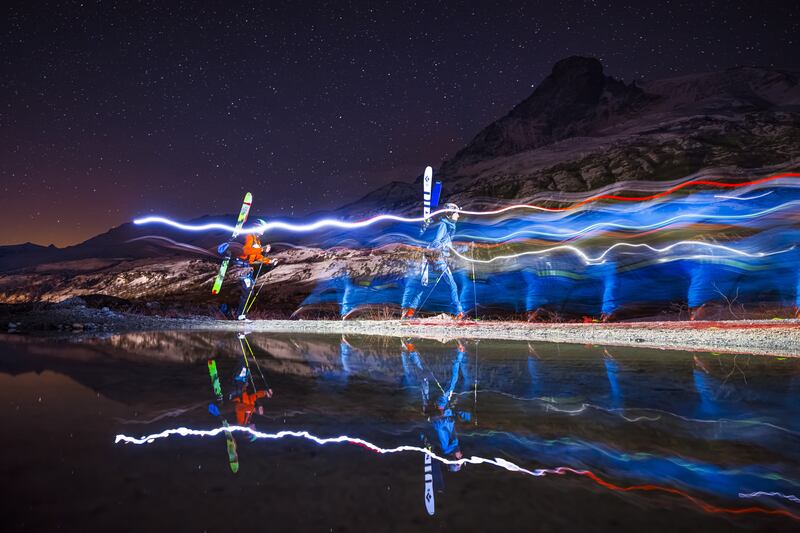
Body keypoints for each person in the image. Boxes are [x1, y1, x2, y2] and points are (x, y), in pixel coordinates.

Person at [401, 203, 464, 319]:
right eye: (456, 213)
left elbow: (444, 243)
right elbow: (436, 241)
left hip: (433, 260)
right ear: (450, 214)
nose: (458, 215)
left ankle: (409, 313)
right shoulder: (443, 225)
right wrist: (438, 253)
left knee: (424, 288)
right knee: (452, 285)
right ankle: (459, 313)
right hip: (438, 260)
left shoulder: (447, 225)